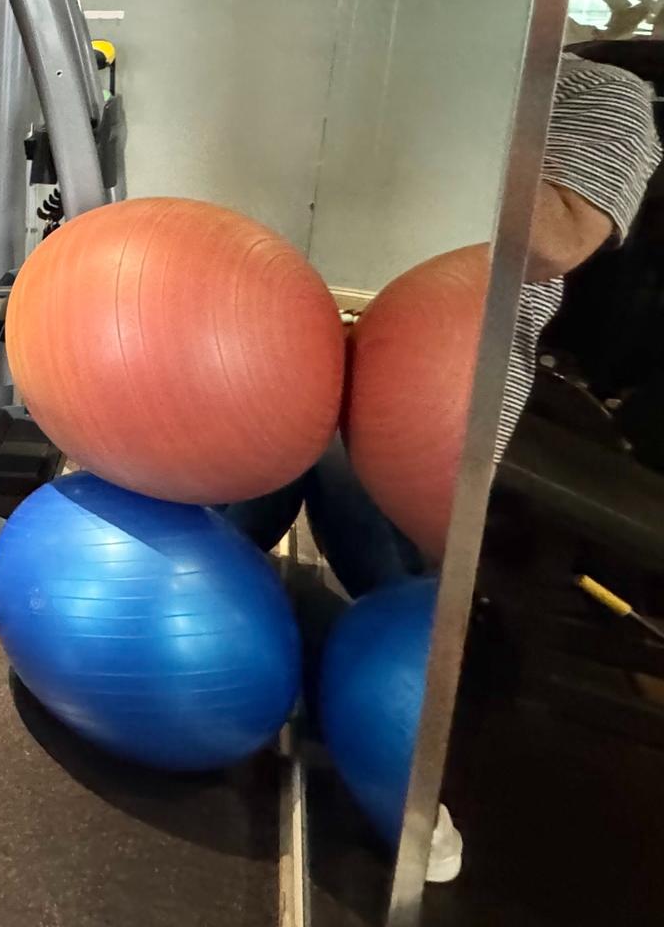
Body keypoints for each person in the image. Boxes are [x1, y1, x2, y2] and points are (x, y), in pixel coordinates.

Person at [226, 51, 662, 882]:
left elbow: (552, 240)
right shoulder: (379, 48)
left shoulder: (606, 93)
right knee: (208, 525)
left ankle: (403, 764)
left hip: (428, 401)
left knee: (396, 590)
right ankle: (224, 668)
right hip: (299, 347)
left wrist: (445, 96)